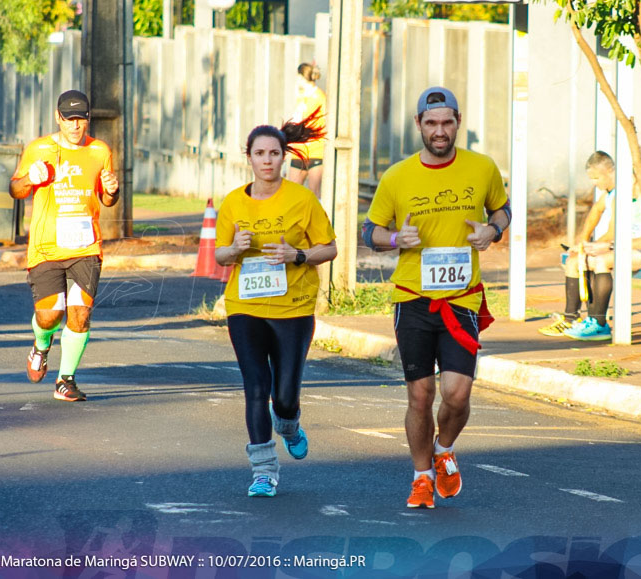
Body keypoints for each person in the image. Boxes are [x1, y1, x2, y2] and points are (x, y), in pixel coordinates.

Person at [362, 86, 510, 509]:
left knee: (458, 395)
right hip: (412, 298)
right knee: (420, 395)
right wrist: (393, 237)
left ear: (458, 122)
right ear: (419, 126)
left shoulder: (482, 168)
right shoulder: (397, 176)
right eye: (431, 123)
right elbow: (367, 232)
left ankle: (444, 448)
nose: (440, 131)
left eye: (447, 122)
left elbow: (502, 210)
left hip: (462, 299)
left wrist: (492, 230)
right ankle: (421, 476)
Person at [214, 115, 337, 498]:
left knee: (284, 395)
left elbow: (329, 248)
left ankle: (288, 424)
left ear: (284, 157)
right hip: (245, 307)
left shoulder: (303, 200)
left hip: (293, 308)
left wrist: (296, 254)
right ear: (248, 158)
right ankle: (263, 471)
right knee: (255, 387)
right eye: (259, 153)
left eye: (274, 153)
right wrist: (234, 250)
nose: (266, 160)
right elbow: (219, 254)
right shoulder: (233, 203)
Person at [9, 90, 119, 401]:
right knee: (50, 316)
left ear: (88, 119)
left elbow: (107, 199)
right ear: (58, 118)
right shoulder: (39, 148)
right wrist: (31, 177)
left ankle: (65, 379)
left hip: (86, 247)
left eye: (80, 119)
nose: (74, 125)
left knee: (80, 313)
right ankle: (41, 344)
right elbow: (15, 189)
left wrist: (113, 189)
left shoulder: (100, 151)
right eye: (68, 119)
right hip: (46, 248)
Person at [538, 151, 641, 341]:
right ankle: (584, 320)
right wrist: (589, 245)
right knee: (585, 259)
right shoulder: (621, 195)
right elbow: (612, 232)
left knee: (601, 261)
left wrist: (610, 248)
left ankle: (599, 324)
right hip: (637, 249)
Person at [286, 63, 326, 196]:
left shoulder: (320, 97)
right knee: (292, 192)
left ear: (303, 77)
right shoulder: (301, 96)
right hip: (299, 151)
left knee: (314, 193)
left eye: (298, 77)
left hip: (315, 151)